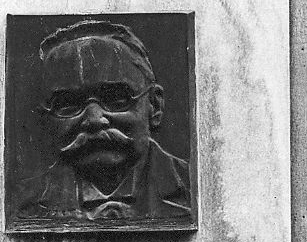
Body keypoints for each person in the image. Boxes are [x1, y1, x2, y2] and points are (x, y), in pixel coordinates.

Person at [16, 19, 191, 222]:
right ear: (46, 120)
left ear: (154, 106)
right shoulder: (25, 200)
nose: (94, 120)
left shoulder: (194, 185)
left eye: (116, 99)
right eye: (68, 104)